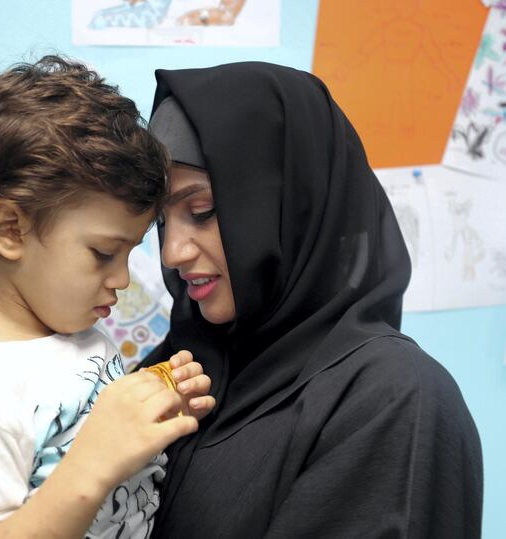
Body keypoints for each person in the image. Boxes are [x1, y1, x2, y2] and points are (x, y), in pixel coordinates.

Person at [0, 56, 215, 539]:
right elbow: (80, 467)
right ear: (11, 229)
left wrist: (154, 422)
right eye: (103, 253)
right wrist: (93, 465)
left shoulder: (71, 335)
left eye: (130, 254)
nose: (122, 280)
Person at [139, 62, 483, 538]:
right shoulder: (174, 372)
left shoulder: (393, 398)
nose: (172, 252)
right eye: (160, 221)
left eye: (202, 211)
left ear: (292, 204)